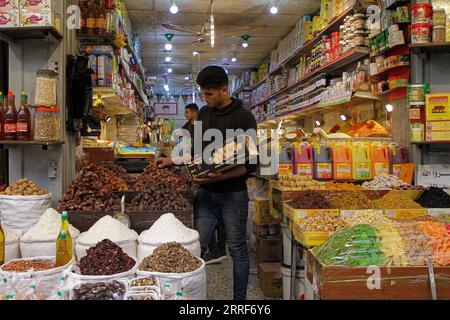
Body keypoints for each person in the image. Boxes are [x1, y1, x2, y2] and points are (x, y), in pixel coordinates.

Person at [156, 66, 257, 300]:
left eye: (209, 94)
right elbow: (196, 152)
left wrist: (222, 175)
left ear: (224, 89)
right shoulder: (203, 114)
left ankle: (239, 300)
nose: (205, 99)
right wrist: (173, 161)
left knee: (237, 250)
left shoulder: (244, 117)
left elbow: (251, 163)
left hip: (233, 194)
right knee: (195, 247)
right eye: (202, 94)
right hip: (205, 194)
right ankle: (191, 297)